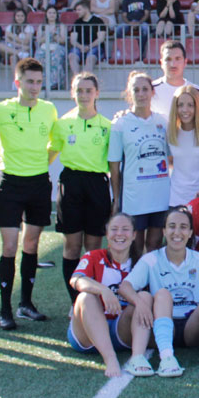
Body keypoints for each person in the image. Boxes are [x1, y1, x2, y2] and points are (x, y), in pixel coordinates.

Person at [118, 207, 199, 376]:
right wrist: (139, 303)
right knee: (160, 294)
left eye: (183, 227)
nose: (177, 232)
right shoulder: (151, 259)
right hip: (161, 323)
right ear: (164, 231)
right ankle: (167, 358)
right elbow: (124, 287)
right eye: (172, 226)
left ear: (191, 232)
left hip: (190, 327)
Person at [0, 57, 57, 330]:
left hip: (39, 183)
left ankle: (25, 304)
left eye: (39, 82)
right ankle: (5, 309)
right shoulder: (1, 111)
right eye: (29, 81)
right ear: (17, 82)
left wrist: (41, 163)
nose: (35, 87)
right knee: (9, 246)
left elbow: (57, 141)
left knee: (31, 245)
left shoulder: (49, 110)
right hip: (11, 185)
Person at [51, 72, 113, 303]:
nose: (84, 95)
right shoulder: (62, 123)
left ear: (97, 93)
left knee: (94, 247)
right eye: (79, 90)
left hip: (97, 185)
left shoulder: (108, 127)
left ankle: (93, 299)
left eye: (89, 90)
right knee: (72, 246)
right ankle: (74, 301)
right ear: (72, 93)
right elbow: (49, 154)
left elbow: (114, 165)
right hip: (71, 185)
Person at [68, 213, 146, 377]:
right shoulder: (94, 256)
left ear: (134, 235)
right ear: (107, 234)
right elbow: (76, 280)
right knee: (85, 297)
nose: (119, 234)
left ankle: (137, 358)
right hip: (87, 334)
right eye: (114, 229)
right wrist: (103, 290)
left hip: (121, 330)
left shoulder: (141, 263)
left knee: (144, 298)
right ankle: (110, 359)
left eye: (125, 229)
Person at [109, 71, 171, 254]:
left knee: (155, 245)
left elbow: (171, 156)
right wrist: (116, 199)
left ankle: (151, 283)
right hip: (134, 198)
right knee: (134, 248)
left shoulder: (163, 121)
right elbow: (114, 166)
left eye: (145, 89)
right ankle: (134, 283)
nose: (141, 94)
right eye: (136, 90)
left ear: (153, 92)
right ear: (129, 94)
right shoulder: (120, 124)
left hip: (160, 196)